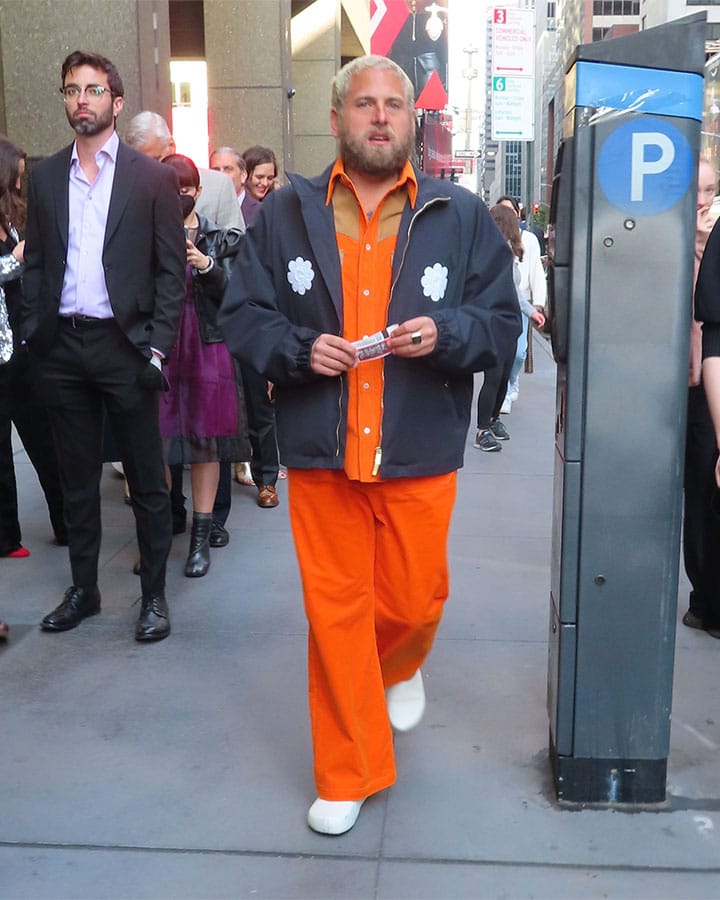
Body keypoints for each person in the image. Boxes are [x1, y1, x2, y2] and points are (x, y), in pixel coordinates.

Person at [219, 55, 520, 835]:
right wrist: (295, 350)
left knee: (416, 602)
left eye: (395, 104)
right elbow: (243, 314)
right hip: (322, 452)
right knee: (336, 615)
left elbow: (500, 322)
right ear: (336, 118)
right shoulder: (287, 211)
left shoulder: (460, 214)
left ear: (412, 120)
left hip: (418, 449)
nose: (381, 116)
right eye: (365, 104)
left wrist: (446, 332)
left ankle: (400, 664)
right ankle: (348, 771)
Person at [21, 51, 186, 641]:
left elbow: (172, 274)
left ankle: (153, 599)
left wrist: (157, 350)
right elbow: (37, 262)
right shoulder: (42, 178)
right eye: (71, 90)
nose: (81, 100)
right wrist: (35, 335)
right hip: (62, 347)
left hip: (127, 347)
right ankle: (84, 590)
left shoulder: (152, 178)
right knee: (75, 479)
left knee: (146, 478)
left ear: (115, 102)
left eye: (93, 90)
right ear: (64, 100)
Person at [159, 153, 249, 577]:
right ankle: (157, 531)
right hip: (161, 345)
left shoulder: (220, 237)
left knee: (206, 441)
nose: (179, 197)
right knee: (156, 439)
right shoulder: (148, 234)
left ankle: (201, 535)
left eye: (185, 190)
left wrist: (207, 265)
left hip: (208, 344)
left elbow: (239, 293)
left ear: (197, 191)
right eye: (170, 190)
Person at [0, 135, 66, 559]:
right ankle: (6, 537)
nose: (24, 184)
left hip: (22, 344)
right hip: (3, 347)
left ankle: (67, 522)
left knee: (45, 437)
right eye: (20, 175)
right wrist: (18, 259)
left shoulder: (9, 218)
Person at [682, 157, 720, 636]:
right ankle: (702, 595)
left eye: (710, 191)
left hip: (707, 385)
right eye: (694, 194)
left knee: (708, 492)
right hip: (681, 381)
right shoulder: (670, 248)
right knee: (698, 490)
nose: (703, 203)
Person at [474, 204, 545, 452]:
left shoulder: (505, 253)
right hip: (495, 322)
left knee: (502, 375)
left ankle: (493, 420)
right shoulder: (493, 254)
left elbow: (515, 291)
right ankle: (483, 429)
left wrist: (530, 311)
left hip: (508, 323)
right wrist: (531, 311)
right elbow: (512, 291)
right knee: (494, 376)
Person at [236, 144, 282, 508]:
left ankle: (267, 478)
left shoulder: (276, 212)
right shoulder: (233, 209)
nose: (264, 183)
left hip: (261, 317)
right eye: (259, 177)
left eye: (269, 177)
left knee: (260, 405)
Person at [496, 195, 546, 414]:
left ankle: (512, 380)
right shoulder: (493, 241)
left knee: (519, 353)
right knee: (502, 354)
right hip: (499, 307)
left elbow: (536, 272)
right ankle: (504, 393)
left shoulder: (529, 240)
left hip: (522, 303)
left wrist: (538, 304)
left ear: (517, 213)